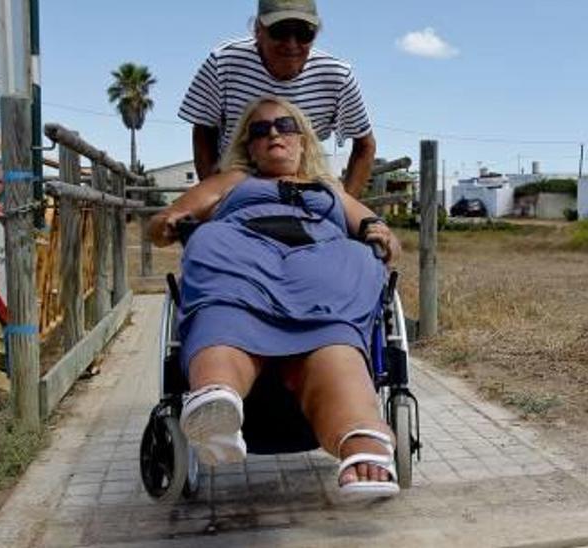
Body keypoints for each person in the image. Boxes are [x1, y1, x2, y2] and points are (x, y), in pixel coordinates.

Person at [149, 96, 401, 501]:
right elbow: (164, 222)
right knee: (215, 267)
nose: (274, 135)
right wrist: (168, 224)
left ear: (303, 141)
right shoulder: (231, 182)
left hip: (320, 266)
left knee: (341, 300)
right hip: (241, 258)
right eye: (260, 130)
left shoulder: (329, 190)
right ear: (249, 146)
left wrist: (382, 236)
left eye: (284, 126)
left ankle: (358, 434)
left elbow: (379, 231)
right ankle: (216, 400)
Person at [178, 0, 377, 197]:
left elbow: (365, 145)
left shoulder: (337, 77)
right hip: (237, 184)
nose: (291, 44)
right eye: (280, 31)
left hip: (304, 186)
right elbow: (203, 130)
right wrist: (215, 196)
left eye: (304, 33)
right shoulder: (223, 62)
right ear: (257, 29)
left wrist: (345, 207)